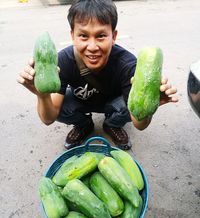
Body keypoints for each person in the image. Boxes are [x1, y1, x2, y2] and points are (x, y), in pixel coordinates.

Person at [17, 0, 178, 150]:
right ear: (72, 36)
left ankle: (112, 124)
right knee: (60, 106)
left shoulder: (128, 64)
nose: (92, 47)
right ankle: (84, 124)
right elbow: (49, 118)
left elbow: (139, 124)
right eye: (83, 36)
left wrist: (149, 107)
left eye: (101, 36)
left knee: (127, 107)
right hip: (82, 101)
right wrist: (42, 95)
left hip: (114, 104)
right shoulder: (63, 61)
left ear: (113, 37)